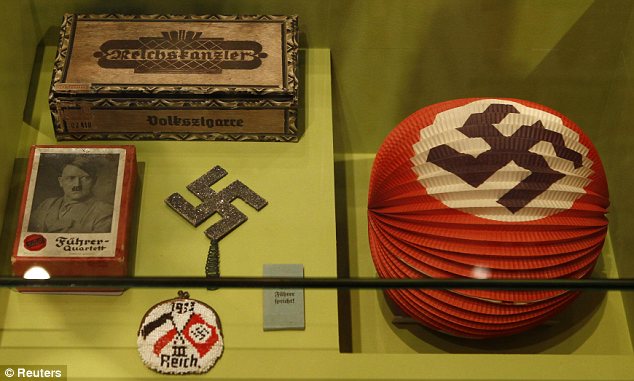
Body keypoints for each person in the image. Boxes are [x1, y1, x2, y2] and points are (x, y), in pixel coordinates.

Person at [29, 157, 114, 233]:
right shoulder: (46, 204)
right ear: (61, 182)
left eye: (85, 178)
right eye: (71, 178)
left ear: (94, 181)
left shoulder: (105, 211)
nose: (77, 185)